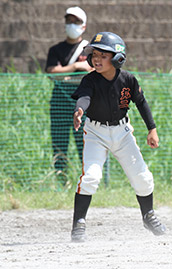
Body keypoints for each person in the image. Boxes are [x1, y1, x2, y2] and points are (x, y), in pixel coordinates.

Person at [70, 31, 166, 242]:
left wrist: (152, 129)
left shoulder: (128, 79)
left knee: (143, 178)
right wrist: (79, 110)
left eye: (103, 55)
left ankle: (148, 216)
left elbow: (141, 103)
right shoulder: (90, 80)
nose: (96, 59)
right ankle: (78, 223)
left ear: (117, 58)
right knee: (91, 177)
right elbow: (84, 97)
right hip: (95, 133)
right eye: (94, 54)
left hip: (122, 133)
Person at [45, 6, 93, 185]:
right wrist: (75, 68)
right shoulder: (56, 49)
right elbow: (52, 72)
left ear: (84, 26)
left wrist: (65, 74)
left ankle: (88, 182)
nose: (72, 25)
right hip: (59, 101)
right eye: (69, 21)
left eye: (76, 21)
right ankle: (61, 181)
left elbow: (94, 71)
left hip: (84, 102)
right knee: (59, 143)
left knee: (85, 143)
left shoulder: (89, 49)